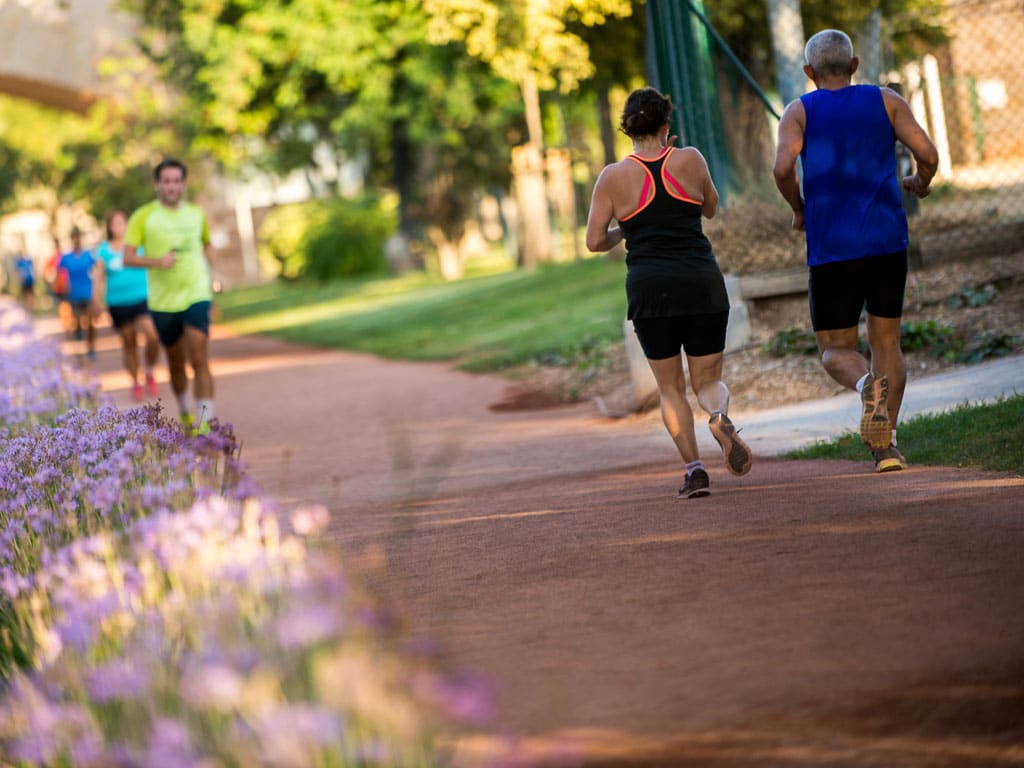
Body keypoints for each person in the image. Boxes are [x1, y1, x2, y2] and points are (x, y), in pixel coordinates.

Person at [772, 29, 938, 472]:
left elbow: (782, 166)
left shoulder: (799, 111)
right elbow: (927, 151)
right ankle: (887, 446)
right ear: (854, 65)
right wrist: (920, 183)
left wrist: (798, 207)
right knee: (887, 343)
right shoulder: (886, 100)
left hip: (832, 250)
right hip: (886, 241)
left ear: (808, 72)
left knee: (834, 350)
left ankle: (867, 386)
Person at [585, 87, 753, 499]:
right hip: (700, 281)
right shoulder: (691, 159)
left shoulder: (612, 177)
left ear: (627, 129)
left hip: (650, 288)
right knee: (708, 379)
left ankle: (695, 473)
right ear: (666, 125)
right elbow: (710, 208)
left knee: (671, 388)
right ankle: (718, 414)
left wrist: (629, 227)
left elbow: (593, 242)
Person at [123, 158, 217, 431]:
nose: (172, 186)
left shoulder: (196, 214)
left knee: (199, 357)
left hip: (196, 292)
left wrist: (216, 273)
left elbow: (208, 245)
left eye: (177, 181)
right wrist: (156, 262)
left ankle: (206, 424)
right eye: (166, 181)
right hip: (163, 302)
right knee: (176, 362)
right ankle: (186, 409)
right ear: (157, 184)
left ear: (183, 184)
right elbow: (127, 257)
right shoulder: (143, 216)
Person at [93, 210, 161, 401]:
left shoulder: (137, 245)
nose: (118, 227)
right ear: (109, 228)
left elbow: (153, 264)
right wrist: (95, 300)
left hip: (142, 298)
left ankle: (149, 371)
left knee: (152, 335)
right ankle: (135, 381)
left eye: (121, 223)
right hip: (118, 303)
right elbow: (98, 277)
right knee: (129, 342)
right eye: (114, 224)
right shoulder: (103, 250)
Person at [59, 226, 99, 360]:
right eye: (73, 237)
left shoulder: (88, 255)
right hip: (73, 295)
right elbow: (58, 274)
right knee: (76, 321)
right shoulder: (66, 257)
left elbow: (99, 269)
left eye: (78, 237)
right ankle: (78, 336)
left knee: (91, 322)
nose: (76, 240)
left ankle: (91, 346)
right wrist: (62, 287)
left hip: (88, 293)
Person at [13, 243, 35, 310]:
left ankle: (31, 307)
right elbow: (17, 271)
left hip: (29, 279)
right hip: (24, 280)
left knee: (30, 294)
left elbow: (32, 269)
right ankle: (26, 307)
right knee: (25, 294)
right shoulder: (19, 261)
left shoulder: (28, 260)